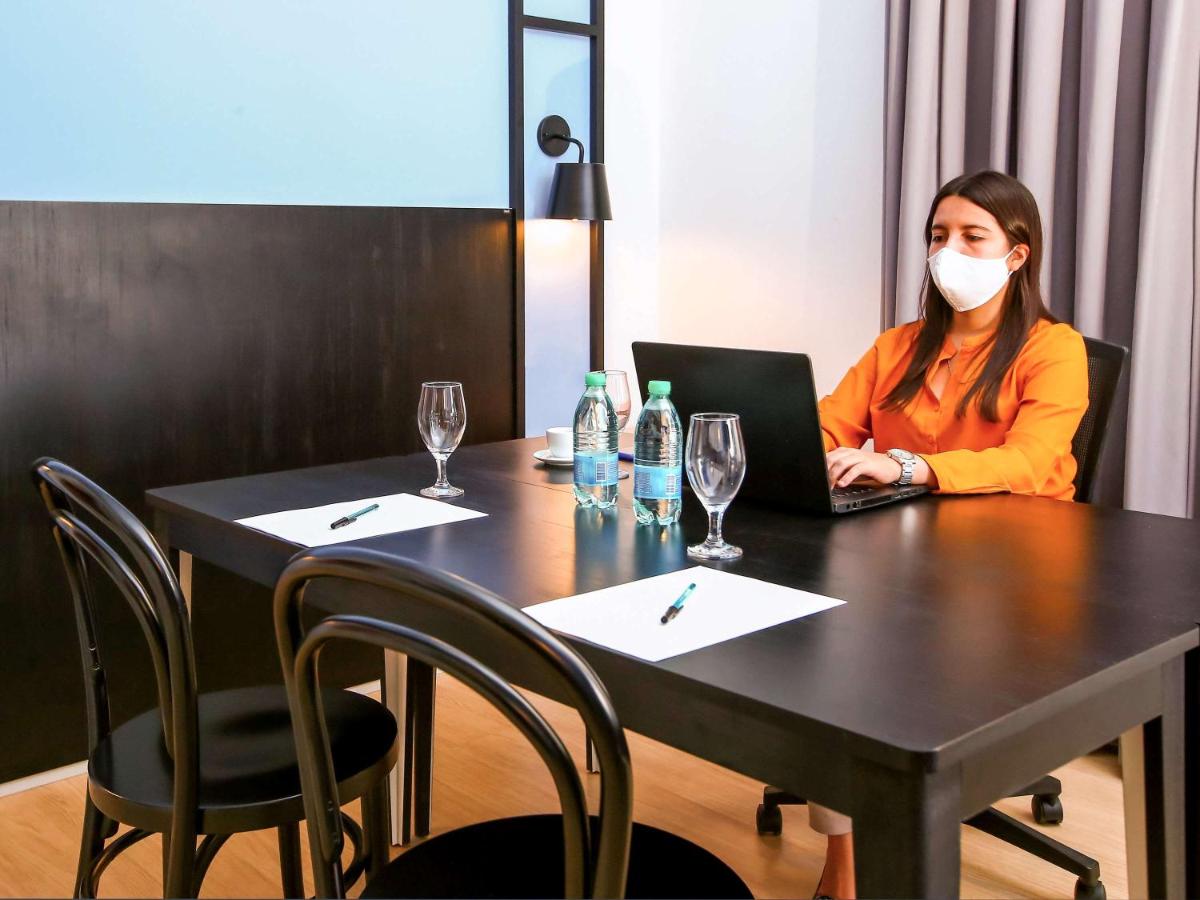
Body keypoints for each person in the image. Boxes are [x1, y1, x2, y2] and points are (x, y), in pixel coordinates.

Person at [810, 170, 1089, 899]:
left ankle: (859, 851)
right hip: (902, 561)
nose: (949, 251)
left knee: (856, 666)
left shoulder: (1053, 349)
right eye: (938, 236)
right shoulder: (897, 346)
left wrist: (907, 465)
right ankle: (845, 862)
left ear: (1017, 254)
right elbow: (827, 424)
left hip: (1014, 572)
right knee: (818, 649)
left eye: (972, 236)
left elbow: (1028, 461)